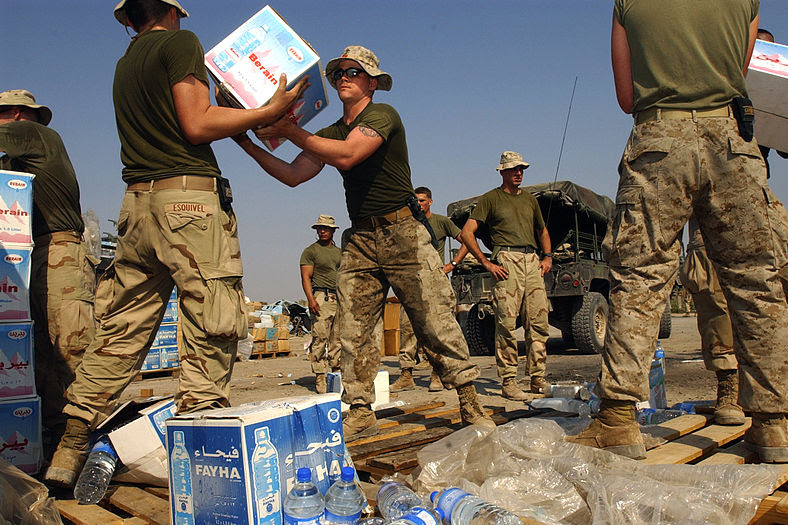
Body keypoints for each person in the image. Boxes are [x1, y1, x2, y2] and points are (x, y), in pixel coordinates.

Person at [44, 0, 307, 488]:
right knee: (212, 320)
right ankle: (202, 458)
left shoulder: (127, 63)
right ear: (174, 10)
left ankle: (70, 446)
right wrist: (267, 111)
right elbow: (196, 124)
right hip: (188, 204)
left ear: (129, 18)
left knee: (121, 330)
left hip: (137, 209)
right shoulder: (180, 43)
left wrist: (240, 121)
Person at [568, 0, 788, 464]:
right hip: (731, 142)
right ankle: (771, 425)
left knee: (640, 280)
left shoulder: (627, 3)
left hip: (659, 143)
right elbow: (741, 73)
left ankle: (616, 420)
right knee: (756, 281)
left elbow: (627, 98)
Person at [231, 45, 495, 437]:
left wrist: (289, 130)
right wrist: (248, 144)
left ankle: (470, 401)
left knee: (434, 321)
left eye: (353, 72)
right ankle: (359, 408)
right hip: (361, 238)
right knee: (352, 329)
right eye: (338, 73)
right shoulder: (328, 133)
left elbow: (351, 155)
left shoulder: (382, 115)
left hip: (404, 232)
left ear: (373, 82)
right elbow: (292, 175)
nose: (343, 78)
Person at [678, 28, 788, 427]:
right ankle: (728, 387)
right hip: (707, 195)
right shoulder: (703, 83)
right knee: (713, 292)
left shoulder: (762, 93)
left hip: (757, 194)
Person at [0, 90, 96, 453]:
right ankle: (59, 442)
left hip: (58, 252)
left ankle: (93, 435)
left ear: (17, 115)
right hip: (24, 255)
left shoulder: (37, 134)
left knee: (72, 348)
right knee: (39, 356)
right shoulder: (13, 163)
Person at [460, 151, 553, 401]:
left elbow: (542, 230)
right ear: (502, 171)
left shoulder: (530, 200)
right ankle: (509, 381)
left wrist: (548, 257)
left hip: (532, 260)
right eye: (513, 169)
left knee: (538, 323)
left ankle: (537, 378)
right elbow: (467, 232)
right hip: (507, 260)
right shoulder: (491, 199)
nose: (518, 173)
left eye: (521, 168)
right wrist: (485, 262)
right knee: (507, 324)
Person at [391, 186, 469, 393]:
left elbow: (467, 241)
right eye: (415, 201)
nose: (419, 204)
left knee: (436, 329)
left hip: (433, 281)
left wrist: (452, 264)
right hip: (409, 281)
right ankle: (406, 374)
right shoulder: (406, 223)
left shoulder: (441, 222)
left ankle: (437, 375)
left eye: (423, 200)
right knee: (407, 328)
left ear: (431, 202)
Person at [300, 214, 342, 393]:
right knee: (320, 337)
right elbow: (306, 277)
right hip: (321, 297)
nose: (322, 231)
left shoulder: (340, 252)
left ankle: (336, 373)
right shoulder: (311, 251)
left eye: (326, 228)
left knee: (337, 339)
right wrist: (311, 299)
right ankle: (320, 376)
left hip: (339, 298)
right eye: (320, 228)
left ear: (333, 230)